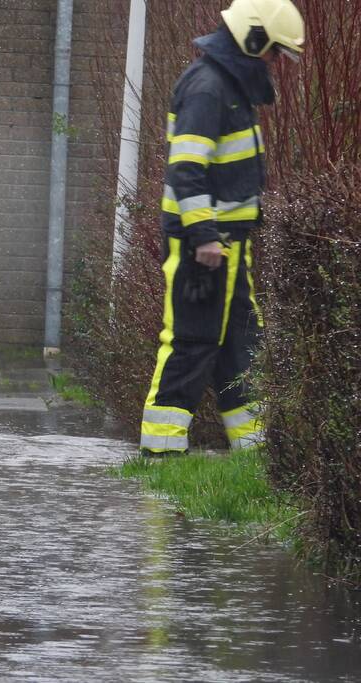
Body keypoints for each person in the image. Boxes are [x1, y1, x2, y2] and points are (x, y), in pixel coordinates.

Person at [139, 0, 304, 456]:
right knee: (192, 343)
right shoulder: (208, 89)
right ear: (252, 40)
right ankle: (161, 453)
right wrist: (205, 235)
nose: (273, 62)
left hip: (228, 243)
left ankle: (253, 455)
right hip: (204, 246)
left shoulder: (228, 88)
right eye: (272, 51)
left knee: (239, 347)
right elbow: (186, 169)